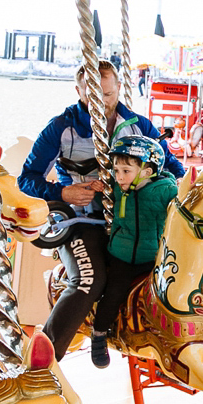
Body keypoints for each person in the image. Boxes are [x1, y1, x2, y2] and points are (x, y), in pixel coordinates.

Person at [19, 60, 185, 361]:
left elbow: (174, 169)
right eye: (91, 95)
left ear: (119, 88)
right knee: (88, 279)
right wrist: (62, 191)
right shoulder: (61, 128)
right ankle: (42, 361)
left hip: (133, 222)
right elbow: (27, 178)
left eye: (107, 95)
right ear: (78, 90)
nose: (101, 103)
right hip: (84, 220)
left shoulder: (139, 126)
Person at [89, 135, 177, 368]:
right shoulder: (118, 188)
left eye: (125, 171)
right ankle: (98, 335)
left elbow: (181, 205)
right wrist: (99, 187)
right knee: (114, 293)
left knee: (163, 299)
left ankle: (162, 341)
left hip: (152, 256)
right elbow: (105, 191)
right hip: (122, 255)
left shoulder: (164, 191)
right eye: (116, 170)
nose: (118, 176)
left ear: (147, 171)